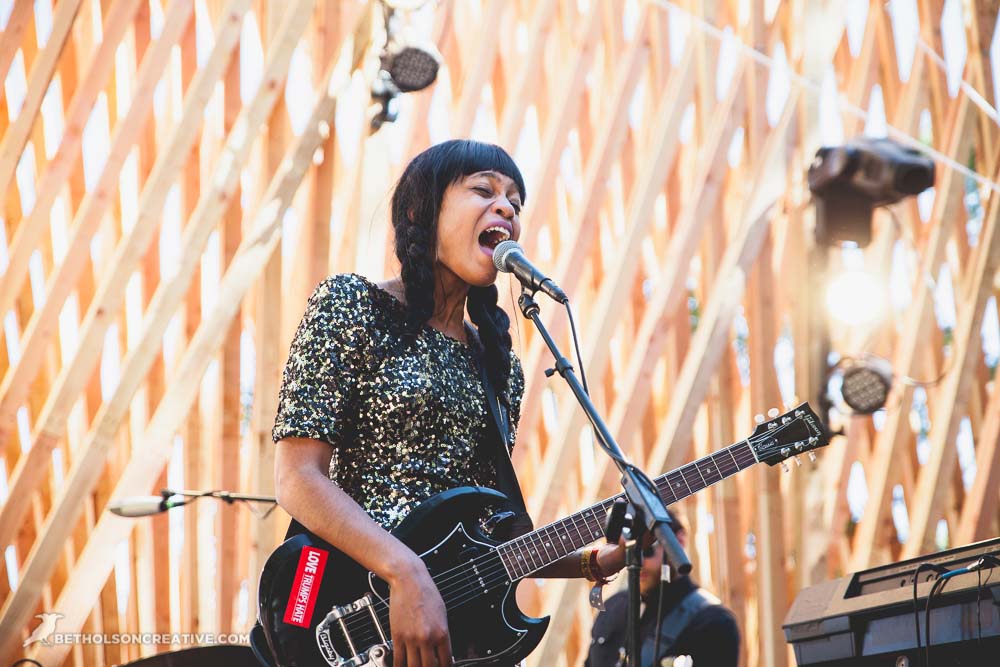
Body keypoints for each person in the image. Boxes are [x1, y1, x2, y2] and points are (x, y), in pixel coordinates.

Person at [272, 139, 626, 667]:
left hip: (455, 641)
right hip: (343, 616)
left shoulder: (498, 365)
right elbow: (297, 478)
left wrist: (592, 561)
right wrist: (404, 571)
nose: (506, 207)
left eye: (515, 201)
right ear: (420, 211)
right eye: (484, 189)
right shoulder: (352, 305)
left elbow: (486, 541)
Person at [584, 509, 740, 667]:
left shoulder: (713, 623)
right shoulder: (612, 607)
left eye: (647, 549)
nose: (639, 561)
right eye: (630, 551)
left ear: (678, 542)